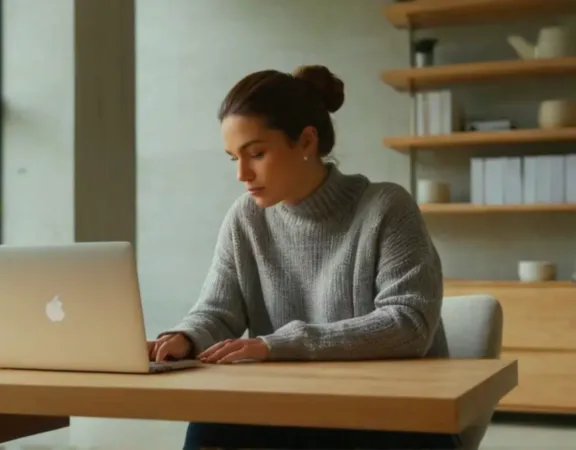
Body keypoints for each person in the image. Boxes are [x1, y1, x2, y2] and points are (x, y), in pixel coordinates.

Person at [147, 65, 459, 450]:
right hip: (293, 409)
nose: (243, 174)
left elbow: (408, 324)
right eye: (234, 159)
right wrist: (185, 338)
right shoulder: (245, 218)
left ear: (307, 141)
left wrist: (278, 344)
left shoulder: (386, 207)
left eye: (256, 153)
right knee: (210, 429)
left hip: (393, 416)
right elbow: (217, 311)